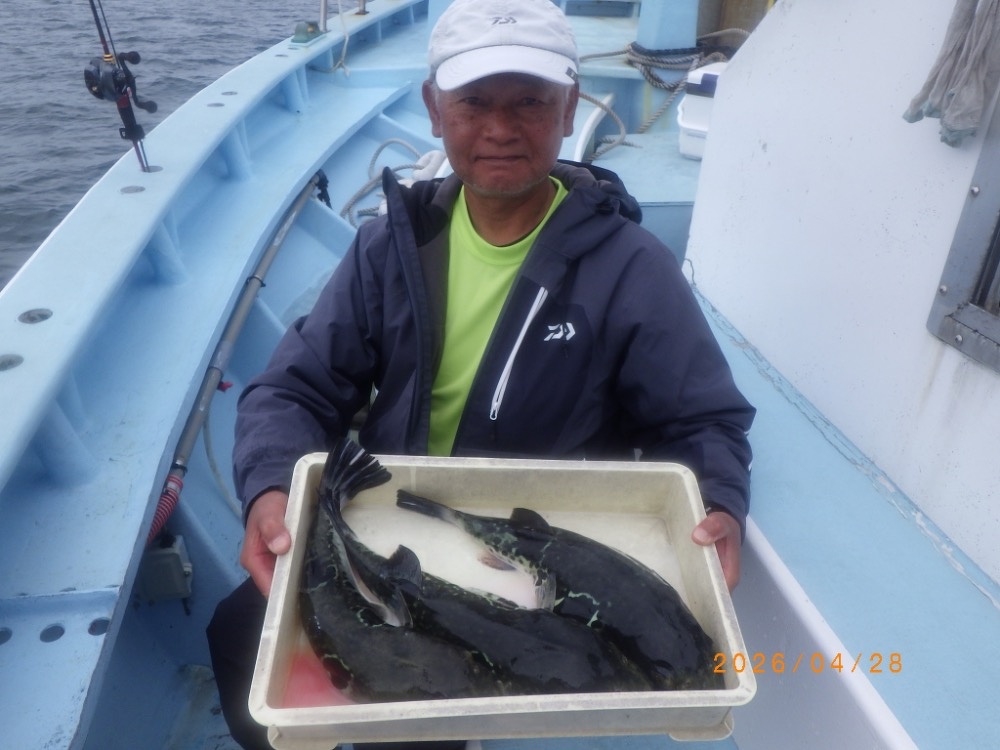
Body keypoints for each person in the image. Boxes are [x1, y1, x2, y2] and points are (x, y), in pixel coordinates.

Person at [207, 0, 755, 748]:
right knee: (236, 636)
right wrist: (272, 485)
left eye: (530, 101)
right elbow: (295, 388)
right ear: (435, 110)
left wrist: (718, 498)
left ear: (569, 108)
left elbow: (699, 419)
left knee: (422, 721)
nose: (501, 128)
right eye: (473, 103)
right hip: (391, 508)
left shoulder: (633, 269)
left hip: (543, 534)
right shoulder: (389, 249)